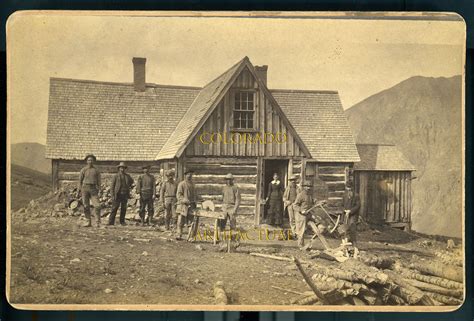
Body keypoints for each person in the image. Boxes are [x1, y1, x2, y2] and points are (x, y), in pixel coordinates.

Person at [78, 154, 101, 227]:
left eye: (91, 160)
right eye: (88, 160)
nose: (90, 161)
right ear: (86, 161)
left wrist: (99, 189)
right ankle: (88, 222)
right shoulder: (83, 170)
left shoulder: (96, 170)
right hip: (85, 188)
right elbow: (80, 181)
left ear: (93, 161)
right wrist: (79, 190)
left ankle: (97, 222)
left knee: (97, 206)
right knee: (86, 206)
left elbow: (99, 181)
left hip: (93, 189)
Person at [108, 162, 134, 226]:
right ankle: (111, 222)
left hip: (124, 194)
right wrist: (112, 195)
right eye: (121, 168)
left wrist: (128, 187)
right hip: (117, 194)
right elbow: (112, 186)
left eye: (123, 168)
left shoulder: (127, 176)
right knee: (114, 208)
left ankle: (122, 222)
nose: (122, 169)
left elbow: (131, 181)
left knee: (123, 208)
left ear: (125, 169)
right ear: (119, 169)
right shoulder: (115, 176)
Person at [176, 169, 198, 240]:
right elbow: (179, 195)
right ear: (185, 175)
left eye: (191, 174)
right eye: (188, 174)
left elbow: (195, 194)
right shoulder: (181, 184)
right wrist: (184, 200)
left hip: (191, 205)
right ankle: (179, 235)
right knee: (180, 221)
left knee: (191, 221)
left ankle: (190, 236)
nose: (189, 175)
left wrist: (198, 199)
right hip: (183, 205)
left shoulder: (193, 184)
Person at [293, 181, 316, 248]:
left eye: (310, 187)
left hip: (308, 214)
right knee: (301, 231)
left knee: (313, 229)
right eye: (307, 186)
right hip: (301, 215)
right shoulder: (301, 195)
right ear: (304, 187)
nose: (308, 188)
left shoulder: (310, 195)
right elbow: (295, 205)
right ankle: (300, 245)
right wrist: (301, 210)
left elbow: (312, 202)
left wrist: (317, 201)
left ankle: (308, 245)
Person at [342, 181, 361, 248]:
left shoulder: (356, 195)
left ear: (352, 188)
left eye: (350, 188)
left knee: (352, 227)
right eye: (347, 188)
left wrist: (350, 211)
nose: (348, 190)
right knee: (345, 229)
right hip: (346, 214)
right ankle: (346, 244)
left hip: (353, 215)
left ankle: (354, 245)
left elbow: (358, 206)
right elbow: (342, 204)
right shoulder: (344, 195)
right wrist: (344, 210)